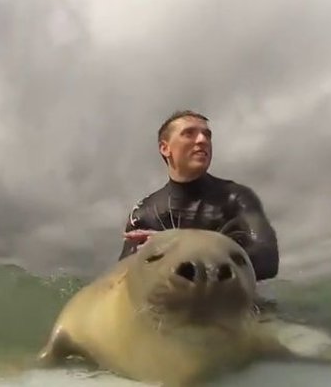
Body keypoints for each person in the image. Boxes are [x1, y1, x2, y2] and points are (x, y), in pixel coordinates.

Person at [118, 110, 279, 282]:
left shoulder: (236, 198)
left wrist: (180, 244)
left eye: (207, 135)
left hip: (229, 305)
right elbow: (122, 280)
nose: (203, 140)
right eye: (189, 134)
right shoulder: (144, 213)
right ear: (165, 148)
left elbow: (267, 261)